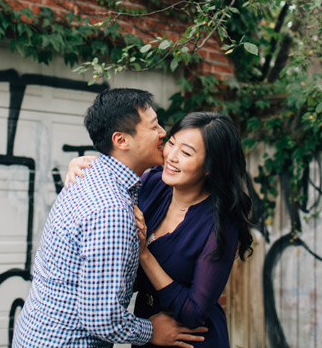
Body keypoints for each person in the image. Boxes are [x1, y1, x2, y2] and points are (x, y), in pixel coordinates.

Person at [12, 88, 208, 348]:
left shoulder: (89, 175)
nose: (163, 133)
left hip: (35, 334)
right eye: (153, 126)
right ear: (122, 140)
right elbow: (102, 319)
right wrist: (152, 331)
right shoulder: (110, 210)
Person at [67, 111, 253, 348]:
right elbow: (114, 176)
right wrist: (83, 166)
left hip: (192, 339)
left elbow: (194, 312)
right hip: (149, 330)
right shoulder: (154, 183)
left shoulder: (220, 223)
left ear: (210, 166)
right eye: (172, 143)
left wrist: (144, 253)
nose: (171, 156)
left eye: (186, 153)